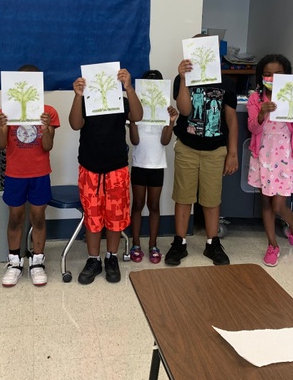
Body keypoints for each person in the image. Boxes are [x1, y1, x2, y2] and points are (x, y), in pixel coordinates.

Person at [165, 47, 239, 267]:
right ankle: (180, 242)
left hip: (215, 150)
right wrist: (183, 78)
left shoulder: (226, 83)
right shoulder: (182, 80)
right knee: (183, 196)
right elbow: (185, 110)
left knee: (211, 198)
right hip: (187, 147)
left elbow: (232, 120)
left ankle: (212, 242)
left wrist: (232, 152)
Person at [70, 67, 142, 284]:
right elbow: (75, 124)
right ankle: (94, 259)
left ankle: (111, 257)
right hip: (90, 167)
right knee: (92, 217)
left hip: (116, 168)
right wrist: (77, 95)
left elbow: (138, 116)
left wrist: (129, 88)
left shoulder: (122, 101)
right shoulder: (86, 100)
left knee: (115, 217)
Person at [247, 54, 293, 267]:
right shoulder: (256, 99)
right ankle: (272, 245)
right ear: (261, 77)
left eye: (278, 74)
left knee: (279, 204)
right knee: (266, 202)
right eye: (267, 74)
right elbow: (252, 127)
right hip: (262, 156)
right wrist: (261, 113)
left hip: (285, 157)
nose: (272, 78)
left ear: (287, 77)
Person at [0, 65, 60, 287]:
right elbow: (1, 145)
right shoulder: (7, 110)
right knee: (15, 217)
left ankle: (37, 261)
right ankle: (14, 262)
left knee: (38, 216)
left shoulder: (48, 111)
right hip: (15, 174)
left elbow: (47, 146)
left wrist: (47, 127)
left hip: (40, 173)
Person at [128, 69, 178, 264]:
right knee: (138, 204)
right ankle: (136, 244)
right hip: (140, 162)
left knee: (154, 206)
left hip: (157, 164)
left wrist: (171, 122)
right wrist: (132, 121)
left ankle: (153, 244)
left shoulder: (164, 109)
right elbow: (134, 140)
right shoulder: (137, 109)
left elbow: (165, 141)